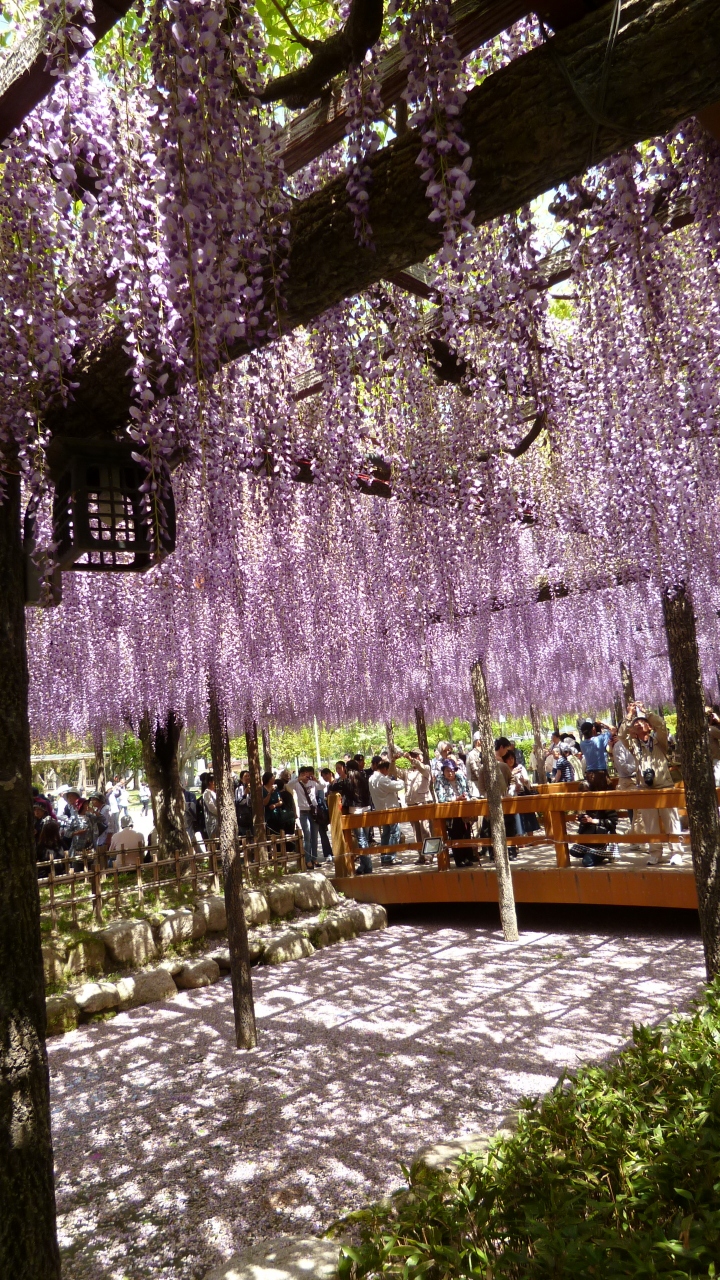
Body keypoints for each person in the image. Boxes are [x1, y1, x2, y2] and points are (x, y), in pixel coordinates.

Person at [619, 702, 682, 866]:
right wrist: (629, 715)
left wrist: (646, 712)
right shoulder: (634, 746)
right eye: (636, 724)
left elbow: (661, 725)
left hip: (665, 786)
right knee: (650, 823)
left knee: (672, 821)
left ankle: (676, 852)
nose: (638, 724)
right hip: (645, 789)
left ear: (649, 726)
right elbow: (621, 736)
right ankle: (655, 853)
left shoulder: (660, 741)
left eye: (642, 722)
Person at [435, 760, 474, 866]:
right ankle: (459, 860)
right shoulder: (440, 780)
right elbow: (441, 798)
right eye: (447, 770)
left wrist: (466, 798)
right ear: (443, 771)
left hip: (464, 810)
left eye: (452, 770)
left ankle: (468, 858)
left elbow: (468, 792)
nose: (450, 773)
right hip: (451, 813)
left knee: (466, 834)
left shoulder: (461, 777)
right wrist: (456, 799)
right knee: (455, 835)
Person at [368, 759, 404, 864]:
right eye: (387, 770)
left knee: (386, 834)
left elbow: (388, 784)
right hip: (389, 809)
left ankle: (384, 856)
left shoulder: (372, 779)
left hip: (381, 810)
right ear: (384, 769)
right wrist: (401, 780)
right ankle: (390, 857)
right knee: (394, 833)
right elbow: (397, 786)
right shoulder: (381, 780)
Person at [287, 765, 321, 868]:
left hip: (314, 812)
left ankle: (314, 858)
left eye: (308, 774)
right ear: (301, 774)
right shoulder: (297, 784)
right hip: (304, 813)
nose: (306, 776)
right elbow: (288, 785)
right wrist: (298, 779)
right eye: (304, 774)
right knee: (307, 836)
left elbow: (323, 786)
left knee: (315, 836)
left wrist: (316, 780)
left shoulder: (312, 782)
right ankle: (308, 860)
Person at [578, 719, 612, 791]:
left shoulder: (582, 744)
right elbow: (613, 729)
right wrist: (602, 722)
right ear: (592, 729)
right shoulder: (600, 739)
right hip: (601, 773)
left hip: (589, 774)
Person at [34, 796, 62, 876]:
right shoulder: (35, 821)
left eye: (39, 810)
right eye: (35, 810)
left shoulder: (48, 820)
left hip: (49, 846)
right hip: (39, 844)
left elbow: (50, 834)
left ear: (44, 811)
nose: (36, 812)